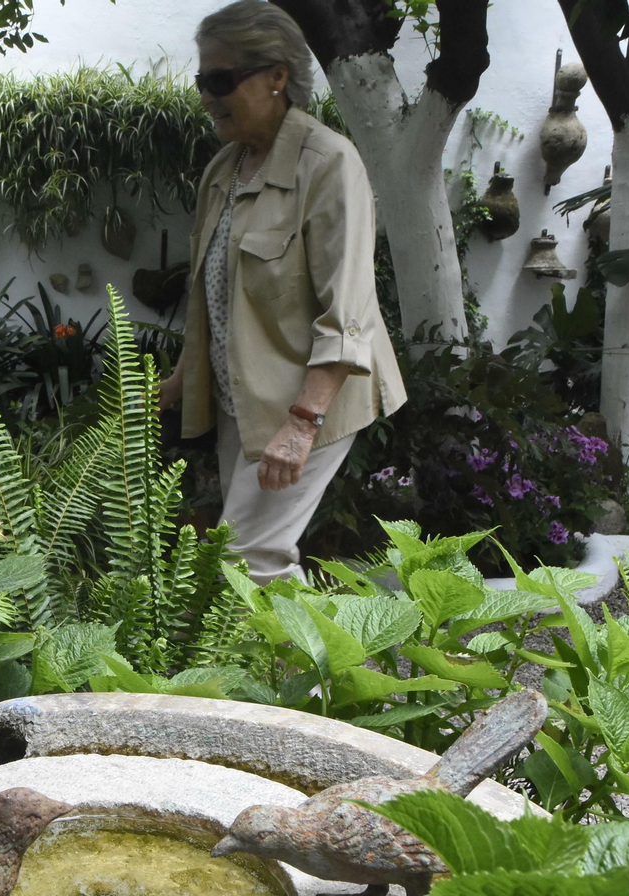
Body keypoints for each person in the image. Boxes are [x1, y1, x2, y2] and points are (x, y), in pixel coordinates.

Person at [159, 0, 406, 584]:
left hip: (309, 399)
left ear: (276, 77)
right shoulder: (223, 170)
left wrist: (301, 423)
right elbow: (214, 298)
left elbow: (349, 313)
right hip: (240, 403)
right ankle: (292, 673)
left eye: (221, 80)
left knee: (249, 557)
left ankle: (312, 677)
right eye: (202, 81)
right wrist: (179, 380)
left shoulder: (327, 164)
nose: (206, 97)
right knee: (249, 554)